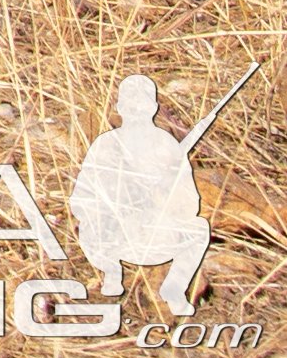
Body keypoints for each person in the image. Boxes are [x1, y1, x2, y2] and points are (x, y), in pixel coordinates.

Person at [71, 73, 214, 317]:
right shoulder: (106, 144)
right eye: (131, 104)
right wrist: (115, 204)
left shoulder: (167, 145)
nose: (137, 110)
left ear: (153, 107)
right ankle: (112, 274)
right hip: (113, 235)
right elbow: (80, 199)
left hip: (154, 232)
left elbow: (189, 202)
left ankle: (173, 289)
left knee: (199, 228)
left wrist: (162, 196)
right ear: (121, 107)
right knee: (87, 228)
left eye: (143, 103)